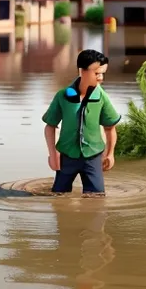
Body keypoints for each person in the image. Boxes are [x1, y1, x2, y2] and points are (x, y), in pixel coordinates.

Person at [43, 49, 121, 195]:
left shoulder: (102, 97)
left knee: (96, 198)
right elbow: (50, 126)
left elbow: (110, 128)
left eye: (103, 73)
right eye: (96, 73)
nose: (100, 78)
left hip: (92, 157)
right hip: (67, 157)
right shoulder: (62, 97)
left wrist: (110, 153)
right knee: (59, 195)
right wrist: (53, 155)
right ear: (82, 71)